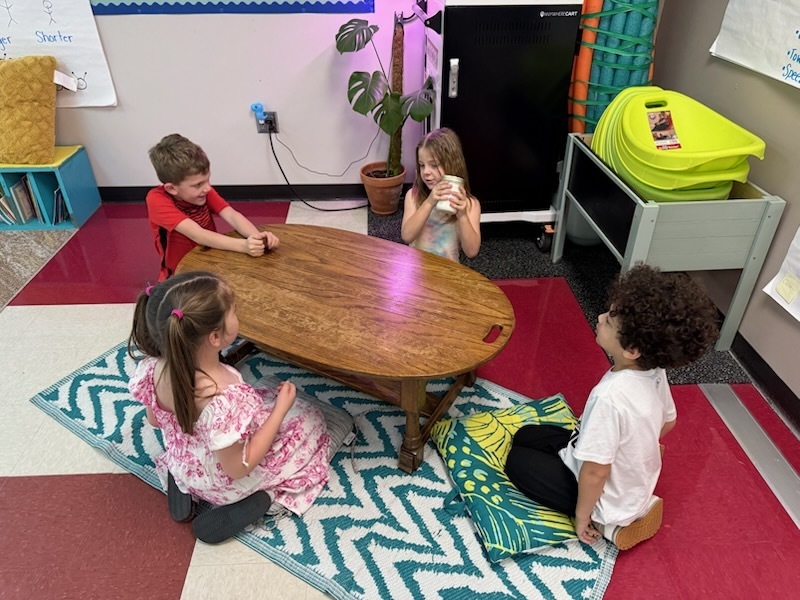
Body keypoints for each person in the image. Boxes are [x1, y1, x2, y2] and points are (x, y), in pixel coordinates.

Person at [505, 264, 719, 550]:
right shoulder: (655, 371)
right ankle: (633, 498)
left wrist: (582, 517)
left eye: (609, 321)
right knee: (525, 436)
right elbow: (668, 421)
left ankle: (611, 524)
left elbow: (595, 473)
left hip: (603, 494)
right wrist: (637, 446)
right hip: (612, 473)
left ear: (631, 350)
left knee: (517, 461)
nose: (600, 317)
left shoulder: (609, 397)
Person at [127, 271, 330, 543]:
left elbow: (154, 420)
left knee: (261, 401)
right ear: (215, 337)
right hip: (228, 482)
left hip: (185, 460)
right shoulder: (225, 393)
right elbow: (239, 467)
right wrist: (281, 409)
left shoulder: (151, 368)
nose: (237, 315)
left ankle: (182, 480)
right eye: (233, 311)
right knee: (311, 419)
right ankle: (264, 497)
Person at [146, 134, 280, 282]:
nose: (207, 188)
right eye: (198, 184)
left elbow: (231, 215)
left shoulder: (203, 191)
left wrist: (256, 238)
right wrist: (244, 246)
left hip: (209, 257)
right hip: (180, 272)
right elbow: (198, 234)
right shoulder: (157, 200)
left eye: (207, 180)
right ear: (172, 188)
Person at [400, 128, 481, 261]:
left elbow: (471, 251)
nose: (426, 172)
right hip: (417, 271)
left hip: (447, 274)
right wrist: (429, 202)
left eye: (434, 165)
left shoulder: (470, 204)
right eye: (422, 165)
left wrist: (462, 216)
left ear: (452, 164)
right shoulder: (414, 196)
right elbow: (407, 236)